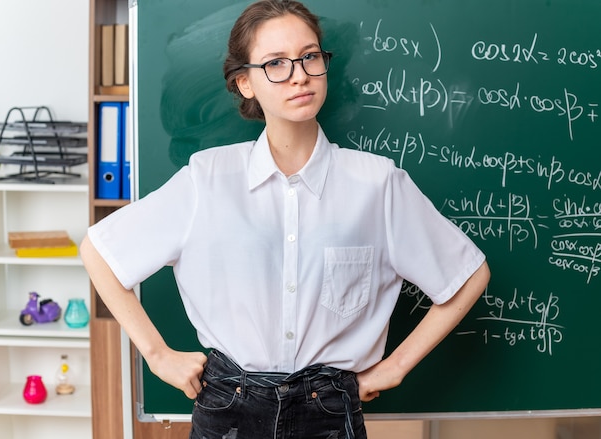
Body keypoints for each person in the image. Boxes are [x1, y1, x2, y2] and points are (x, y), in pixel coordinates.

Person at [80, 1, 490, 438]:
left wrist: (395, 367)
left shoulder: (377, 183)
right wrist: (157, 354)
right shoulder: (207, 179)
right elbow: (99, 252)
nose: (299, 74)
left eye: (310, 56)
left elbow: (467, 274)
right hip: (227, 407)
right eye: (275, 63)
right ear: (245, 83)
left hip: (329, 410)